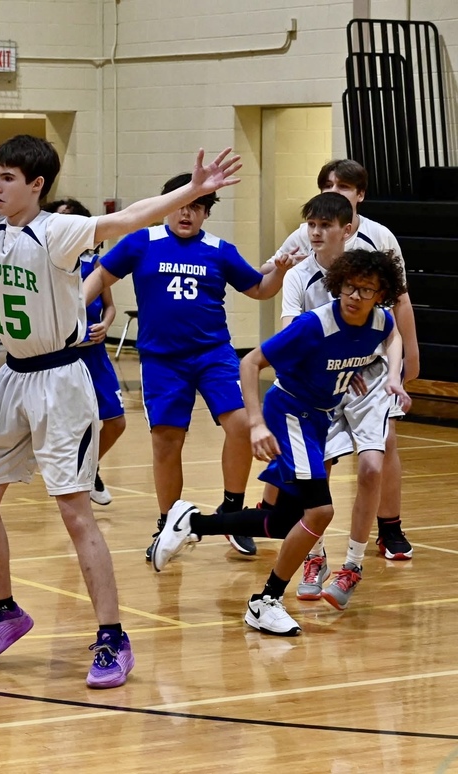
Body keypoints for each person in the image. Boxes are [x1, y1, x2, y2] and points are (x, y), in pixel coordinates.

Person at [0, 46, 240, 688]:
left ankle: (113, 637)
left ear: (36, 186)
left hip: (62, 381)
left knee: (74, 510)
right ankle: (3, 612)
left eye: (6, 178)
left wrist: (188, 195)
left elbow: (123, 218)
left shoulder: (56, 230)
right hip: (11, 379)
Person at [152, 248, 410, 637]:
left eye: (367, 289)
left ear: (381, 294)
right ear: (338, 285)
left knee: (283, 521)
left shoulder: (379, 320)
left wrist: (387, 375)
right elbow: (250, 362)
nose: (356, 296)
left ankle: (192, 522)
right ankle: (266, 601)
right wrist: (255, 424)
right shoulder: (314, 325)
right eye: (350, 287)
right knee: (320, 512)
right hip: (291, 412)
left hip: (319, 417)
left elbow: (392, 336)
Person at [83, 174, 293, 561]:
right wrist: (73, 307)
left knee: (242, 425)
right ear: (167, 205)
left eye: (197, 206)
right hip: (162, 360)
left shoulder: (219, 250)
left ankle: (232, 510)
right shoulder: (140, 242)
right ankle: (167, 525)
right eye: (182, 204)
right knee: (166, 440)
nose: (187, 213)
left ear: (206, 213)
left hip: (213, 354)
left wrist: (279, 271)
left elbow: (260, 289)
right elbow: (100, 275)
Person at [261, 160, 419, 567]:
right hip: (322, 372)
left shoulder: (379, 238)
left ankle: (386, 529)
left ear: (358, 197)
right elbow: (273, 290)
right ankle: (300, 540)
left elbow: (397, 302)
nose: (316, 231)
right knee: (315, 461)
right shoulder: (303, 245)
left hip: (367, 367)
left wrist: (409, 354)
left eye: (344, 185)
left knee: (381, 451)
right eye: (327, 184)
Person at [44, 198, 125, 506]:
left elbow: (110, 307)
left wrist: (105, 325)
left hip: (95, 356)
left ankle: (89, 467)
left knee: (116, 422)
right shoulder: (48, 265)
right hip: (64, 358)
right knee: (74, 425)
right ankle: (74, 479)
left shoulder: (97, 266)